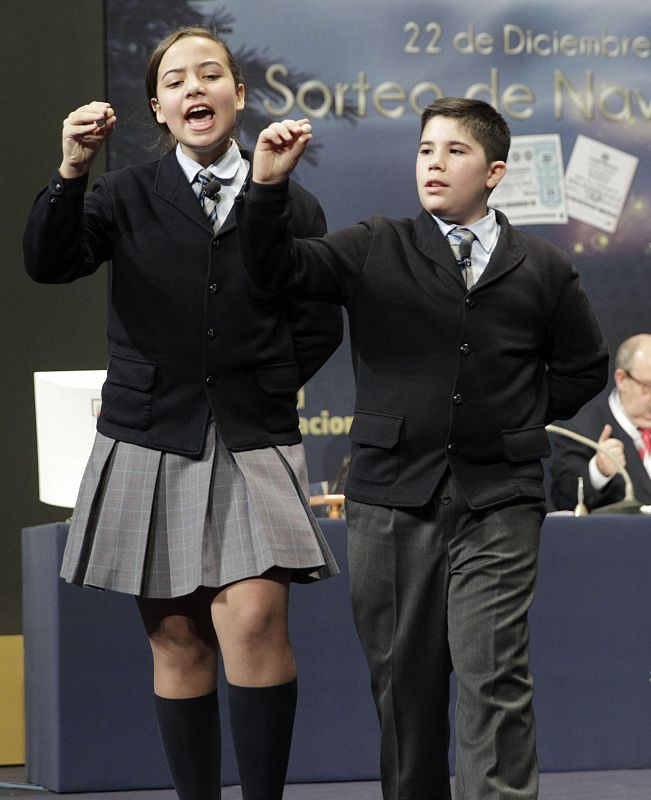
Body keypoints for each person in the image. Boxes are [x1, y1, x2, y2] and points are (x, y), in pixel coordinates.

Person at [235, 98, 609, 800]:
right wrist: (268, 188)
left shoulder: (545, 268)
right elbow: (276, 272)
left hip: (500, 499)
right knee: (403, 687)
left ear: (494, 171)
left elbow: (583, 368)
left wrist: (514, 422)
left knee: (493, 675)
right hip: (390, 496)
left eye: (454, 151)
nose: (434, 163)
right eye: (424, 149)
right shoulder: (375, 242)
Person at [23, 25, 343, 800]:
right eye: (175, 80)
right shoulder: (123, 193)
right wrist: (71, 169)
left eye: (210, 74)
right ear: (158, 109)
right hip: (149, 433)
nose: (194, 88)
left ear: (237, 94)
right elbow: (49, 261)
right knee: (176, 637)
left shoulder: (290, 201)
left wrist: (262, 386)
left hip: (250, 433)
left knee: (256, 619)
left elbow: (317, 320)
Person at [549, 333, 651, 511]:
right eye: (648, 387)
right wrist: (598, 470)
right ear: (622, 380)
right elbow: (564, 497)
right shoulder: (580, 430)